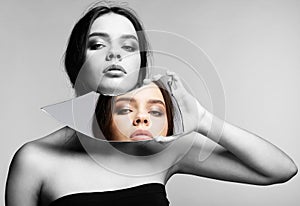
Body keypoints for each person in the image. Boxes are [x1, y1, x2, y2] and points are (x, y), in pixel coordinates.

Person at [5, 3, 298, 206]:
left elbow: (279, 170)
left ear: (140, 70)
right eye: (97, 44)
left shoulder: (158, 147)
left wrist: (203, 120)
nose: (115, 55)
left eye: (128, 46)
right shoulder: (34, 159)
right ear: (76, 62)